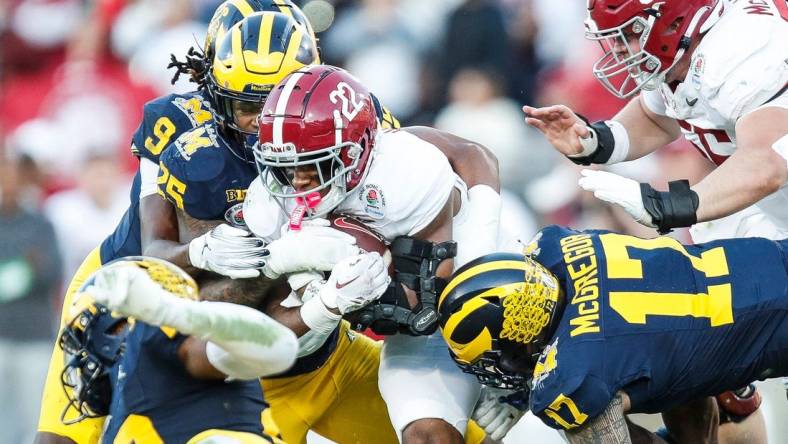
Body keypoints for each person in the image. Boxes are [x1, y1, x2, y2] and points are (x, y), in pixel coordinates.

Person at [34, 2, 329, 443]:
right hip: (131, 287)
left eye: (278, 94)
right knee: (66, 434)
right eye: (249, 99)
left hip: (233, 321)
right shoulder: (178, 126)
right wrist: (203, 250)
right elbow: (158, 248)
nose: (264, 115)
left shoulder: (335, 117)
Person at [522, 0, 787, 439]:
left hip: (772, 194)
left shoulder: (743, 44)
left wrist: (666, 205)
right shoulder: (691, 47)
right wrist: (596, 140)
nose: (622, 50)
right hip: (768, 211)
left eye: (629, 33)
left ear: (673, 18)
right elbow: (657, 113)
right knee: (711, 335)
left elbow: (767, 162)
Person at [248, 64, 514, 443]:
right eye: (285, 164)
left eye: (313, 161)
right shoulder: (268, 198)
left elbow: (425, 306)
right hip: (413, 330)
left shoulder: (407, 170)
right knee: (428, 437)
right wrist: (321, 298)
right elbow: (274, 325)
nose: (298, 179)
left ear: (358, 150)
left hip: (479, 298)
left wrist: (507, 371)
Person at [438, 224, 788, 444]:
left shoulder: (571, 377)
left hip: (772, 334)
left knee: (579, 409)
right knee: (666, 358)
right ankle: (732, 391)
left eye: (495, 359)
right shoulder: (554, 245)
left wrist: (531, 389)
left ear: (520, 337)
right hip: (770, 261)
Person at [59, 255, 304, 442]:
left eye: (84, 338)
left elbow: (279, 349)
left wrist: (167, 312)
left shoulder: (149, 337)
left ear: (116, 327)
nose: (81, 357)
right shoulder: (123, 407)